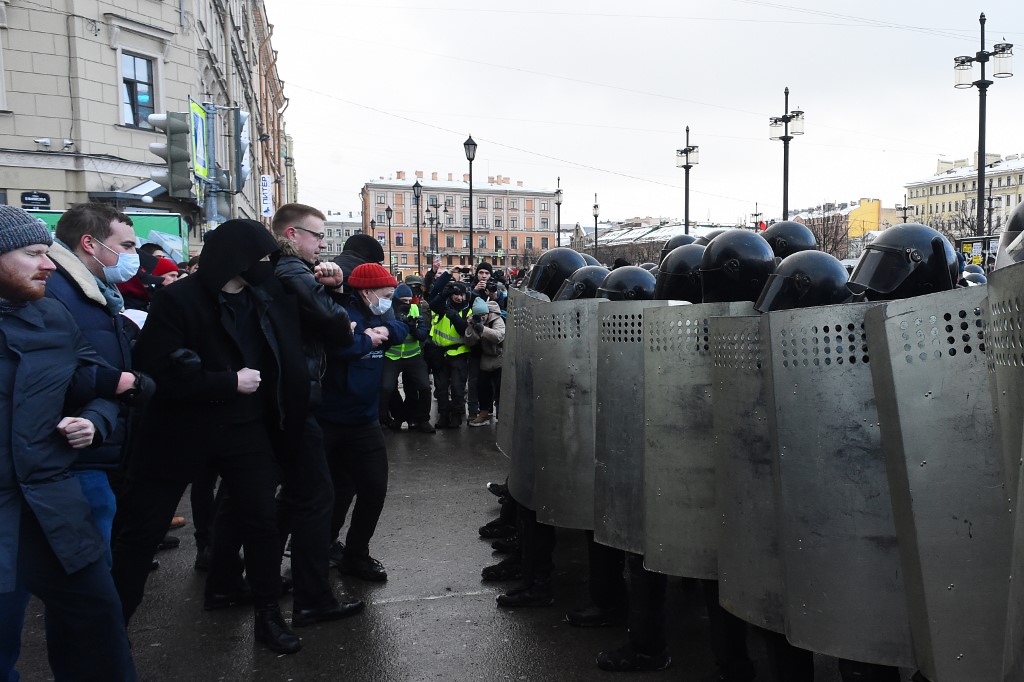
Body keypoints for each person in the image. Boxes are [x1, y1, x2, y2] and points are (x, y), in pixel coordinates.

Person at [112, 219, 311, 655]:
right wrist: (225, 382)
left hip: (246, 431)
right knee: (140, 531)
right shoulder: (176, 300)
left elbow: (295, 346)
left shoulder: (267, 296)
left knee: (260, 523)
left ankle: (268, 616)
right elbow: (157, 370)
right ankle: (112, 631)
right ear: (234, 259)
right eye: (260, 258)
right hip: (179, 431)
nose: (267, 266)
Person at [0, 205, 139, 681]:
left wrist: (96, 421)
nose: (48, 264)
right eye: (33, 253)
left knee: (97, 632)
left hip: (54, 502)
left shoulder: (50, 316)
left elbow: (97, 384)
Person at [270, 203, 365, 627]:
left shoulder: (292, 273)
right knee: (315, 498)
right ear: (292, 235)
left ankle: (265, 580)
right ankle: (312, 598)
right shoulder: (290, 271)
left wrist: (328, 287)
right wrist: (338, 303)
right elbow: (333, 323)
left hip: (289, 395)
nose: (323, 244)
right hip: (297, 398)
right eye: (317, 235)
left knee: (293, 496)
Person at [320, 262, 407, 583]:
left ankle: (356, 554)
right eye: (386, 295)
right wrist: (364, 342)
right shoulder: (342, 314)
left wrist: (383, 332)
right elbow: (338, 348)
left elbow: (402, 328)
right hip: (330, 420)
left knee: (373, 488)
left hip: (364, 421)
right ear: (367, 292)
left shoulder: (379, 313)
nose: (389, 301)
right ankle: (323, 546)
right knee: (335, 491)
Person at [381, 282, 434, 433]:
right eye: (403, 300)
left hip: (413, 355)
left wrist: (412, 328)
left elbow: (423, 334)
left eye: (409, 300)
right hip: (392, 355)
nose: (407, 303)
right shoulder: (387, 310)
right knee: (386, 388)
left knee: (424, 387)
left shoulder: (415, 309)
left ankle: (422, 419)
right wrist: (398, 325)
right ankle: (395, 417)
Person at [427, 273, 472, 428]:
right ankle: (443, 415)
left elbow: (465, 331)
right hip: (439, 353)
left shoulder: (468, 311)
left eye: (461, 295)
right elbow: (432, 304)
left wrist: (455, 318)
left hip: (458, 354)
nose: (459, 298)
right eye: (456, 295)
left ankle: (456, 416)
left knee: (458, 389)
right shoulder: (442, 307)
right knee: (440, 388)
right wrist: (444, 293)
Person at [465, 292, 504, 427]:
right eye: (479, 316)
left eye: (483, 315)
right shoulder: (475, 321)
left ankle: (502, 413)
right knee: (483, 387)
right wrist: (471, 326)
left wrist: (483, 328)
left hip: (499, 356)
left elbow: (499, 336)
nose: (482, 318)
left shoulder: (496, 319)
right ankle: (484, 413)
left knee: (500, 387)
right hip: (486, 358)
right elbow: (470, 342)